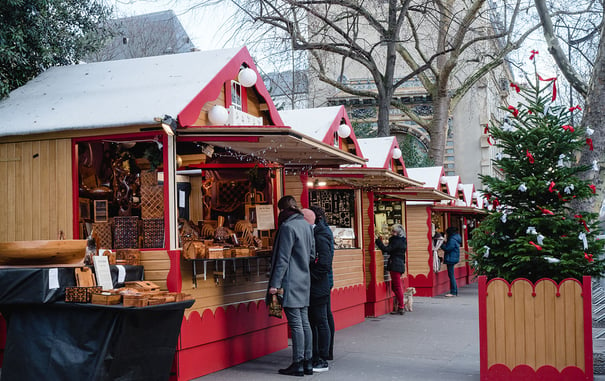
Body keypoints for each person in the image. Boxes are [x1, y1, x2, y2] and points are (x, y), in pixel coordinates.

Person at [267, 196, 316, 376]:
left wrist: (275, 284)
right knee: (304, 322)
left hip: (290, 280)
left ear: (282, 210)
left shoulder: (287, 227)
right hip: (304, 278)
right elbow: (312, 255)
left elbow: (282, 259)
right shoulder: (305, 225)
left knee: (296, 323)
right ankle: (308, 362)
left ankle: (297, 363)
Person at [306, 205, 334, 372]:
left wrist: (310, 277)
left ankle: (322, 357)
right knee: (321, 319)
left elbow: (324, 262)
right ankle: (321, 354)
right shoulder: (322, 232)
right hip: (321, 283)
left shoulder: (320, 234)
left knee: (320, 320)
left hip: (319, 284)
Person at [374, 224, 407, 315]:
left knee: (396, 286)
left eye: (393, 231)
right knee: (396, 286)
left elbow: (386, 249)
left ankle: (401, 306)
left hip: (395, 265)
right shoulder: (402, 241)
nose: (392, 233)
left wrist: (377, 241)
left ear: (397, 232)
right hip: (399, 264)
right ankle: (400, 305)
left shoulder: (396, 241)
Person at [442, 226, 462, 297]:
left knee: (451, 275)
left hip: (451, 258)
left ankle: (453, 292)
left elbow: (448, 248)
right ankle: (454, 291)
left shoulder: (452, 239)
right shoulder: (456, 238)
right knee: (451, 275)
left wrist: (441, 245)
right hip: (453, 257)